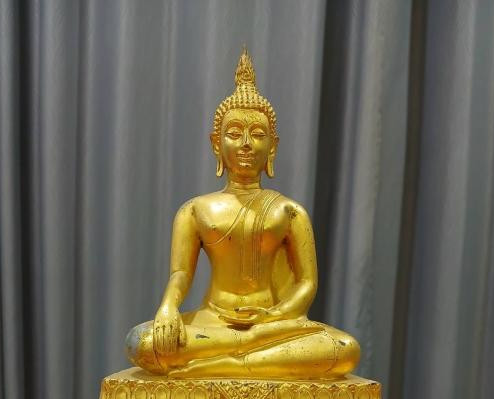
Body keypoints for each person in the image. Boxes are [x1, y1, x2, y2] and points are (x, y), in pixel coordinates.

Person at [126, 49, 360, 379]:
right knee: (142, 341)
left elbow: (307, 283)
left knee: (346, 349)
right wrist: (168, 307)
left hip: (272, 324)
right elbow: (180, 274)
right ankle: (248, 353)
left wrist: (273, 317)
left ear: (273, 146)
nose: (246, 144)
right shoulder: (195, 210)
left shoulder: (289, 212)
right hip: (213, 323)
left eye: (259, 135)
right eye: (234, 134)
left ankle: (229, 363)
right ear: (216, 144)